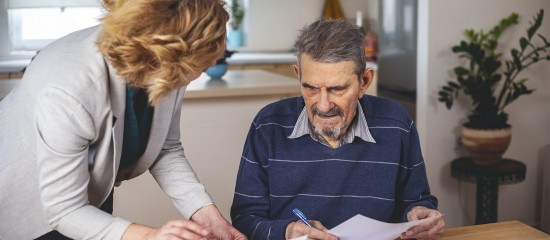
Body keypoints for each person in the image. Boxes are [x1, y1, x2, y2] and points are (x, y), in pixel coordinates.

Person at [0, 0, 246, 239]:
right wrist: (152, 235)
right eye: (201, 64)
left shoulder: (167, 66)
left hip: (91, 191)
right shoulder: (69, 87)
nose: (210, 64)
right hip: (27, 198)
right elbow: (65, 210)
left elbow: (165, 150)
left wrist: (209, 217)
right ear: (166, 54)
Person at [230, 19, 445, 240]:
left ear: (364, 82)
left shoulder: (397, 124)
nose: (323, 105)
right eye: (311, 88)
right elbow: (244, 218)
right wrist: (286, 231)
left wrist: (420, 215)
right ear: (298, 76)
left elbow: (418, 201)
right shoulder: (267, 125)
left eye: (337, 89)